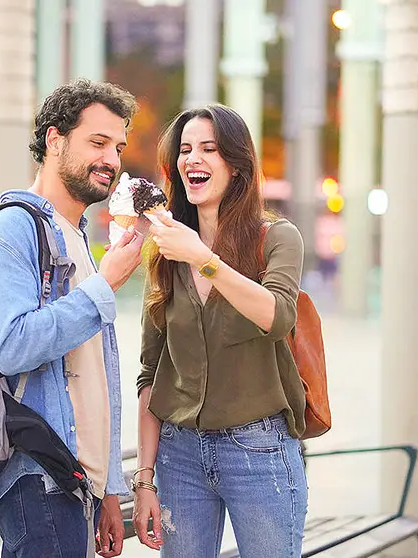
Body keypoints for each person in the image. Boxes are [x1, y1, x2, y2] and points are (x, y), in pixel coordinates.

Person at [0, 79, 143, 557]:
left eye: (118, 146)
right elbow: (13, 346)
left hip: (74, 484)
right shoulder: (10, 229)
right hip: (35, 480)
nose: (112, 159)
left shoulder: (76, 236)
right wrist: (102, 289)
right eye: (97, 142)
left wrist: (108, 489)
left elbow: (95, 377)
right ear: (54, 140)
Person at [132, 104, 308, 557]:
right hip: (178, 455)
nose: (194, 159)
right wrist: (144, 478)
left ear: (236, 164)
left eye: (209, 149)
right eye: (186, 150)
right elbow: (151, 372)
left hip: (259, 450)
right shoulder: (166, 250)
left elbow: (278, 316)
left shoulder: (278, 237)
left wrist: (202, 258)